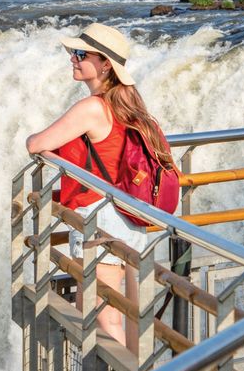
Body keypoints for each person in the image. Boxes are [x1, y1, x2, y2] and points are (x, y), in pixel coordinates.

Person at [25, 22, 176, 347]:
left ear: (106, 64)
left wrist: (42, 145)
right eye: (73, 53)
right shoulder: (129, 103)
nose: (73, 59)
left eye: (81, 54)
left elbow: (36, 144)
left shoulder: (93, 107)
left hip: (99, 219)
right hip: (130, 214)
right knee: (135, 317)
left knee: (101, 316)